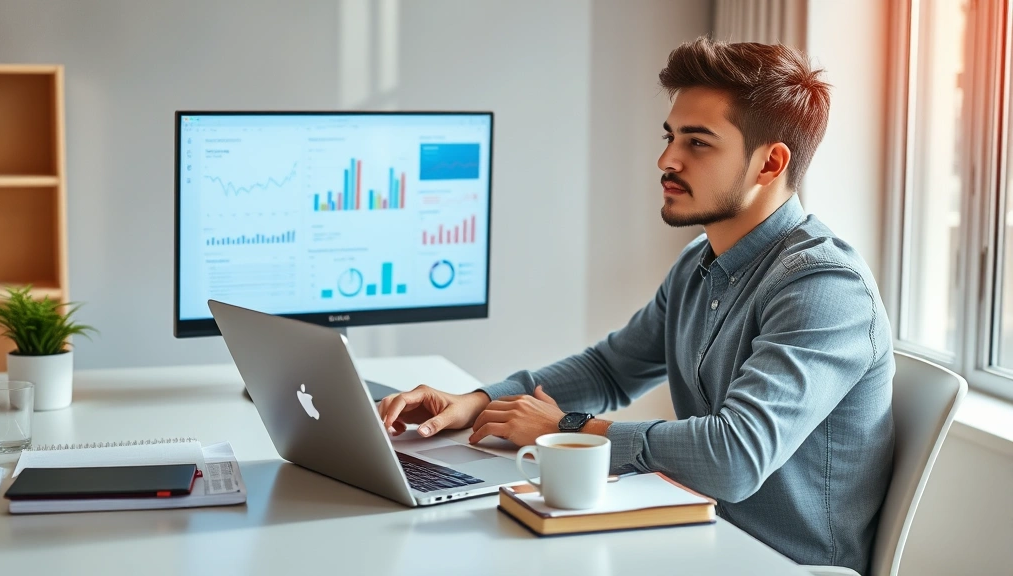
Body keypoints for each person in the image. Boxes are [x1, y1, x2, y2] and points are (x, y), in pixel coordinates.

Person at [378, 36, 894, 574]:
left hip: (777, 561)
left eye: (698, 143)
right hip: (694, 532)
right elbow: (610, 369)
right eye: (671, 136)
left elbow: (733, 458)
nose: (665, 159)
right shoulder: (703, 261)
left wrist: (570, 429)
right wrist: (476, 400)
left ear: (770, 163)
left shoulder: (824, 287)